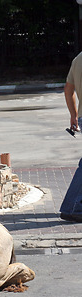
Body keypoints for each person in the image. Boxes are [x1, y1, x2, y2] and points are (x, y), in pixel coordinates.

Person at [60, 51, 82, 222]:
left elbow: (68, 89)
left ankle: (72, 206)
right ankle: (73, 207)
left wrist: (74, 115)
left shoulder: (78, 58)